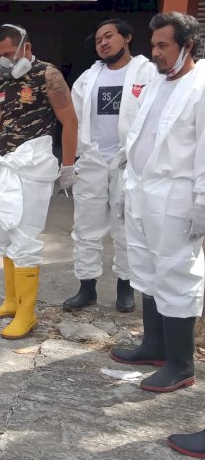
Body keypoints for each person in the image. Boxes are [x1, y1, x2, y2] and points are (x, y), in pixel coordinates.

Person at [110, 12, 205, 397]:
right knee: (146, 267)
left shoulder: (200, 87)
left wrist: (202, 202)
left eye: (164, 45)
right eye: (153, 46)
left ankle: (181, 364)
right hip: (142, 189)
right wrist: (124, 185)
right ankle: (154, 346)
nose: (156, 53)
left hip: (177, 194)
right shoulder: (154, 83)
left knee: (176, 274)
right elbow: (136, 135)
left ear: (188, 47)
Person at [0, 24, 78, 339]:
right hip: (4, 163)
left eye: (7, 54)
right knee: (4, 234)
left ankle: (27, 315)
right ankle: (11, 302)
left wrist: (69, 166)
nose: (2, 60)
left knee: (25, 238)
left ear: (25, 49)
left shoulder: (48, 75)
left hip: (33, 165)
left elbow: (69, 120)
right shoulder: (0, 76)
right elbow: (3, 120)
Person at [63, 19, 157, 313]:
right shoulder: (88, 78)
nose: (103, 43)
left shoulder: (147, 72)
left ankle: (125, 288)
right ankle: (87, 287)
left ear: (127, 37)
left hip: (128, 161)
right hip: (92, 159)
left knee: (126, 226)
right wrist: (71, 160)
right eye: (98, 40)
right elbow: (73, 119)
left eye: (109, 36)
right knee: (86, 226)